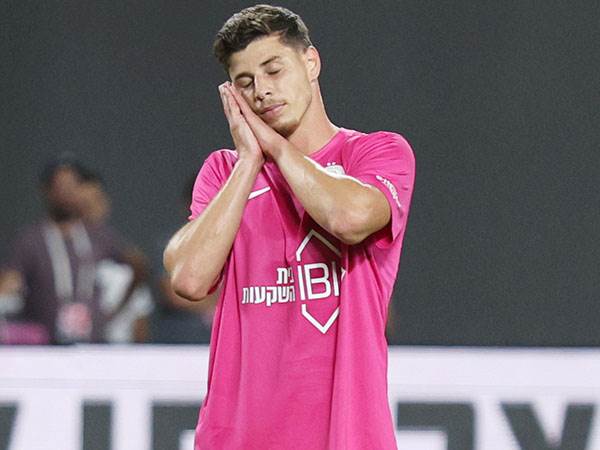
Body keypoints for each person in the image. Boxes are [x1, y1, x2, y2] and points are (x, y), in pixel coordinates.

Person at [163, 5, 415, 449]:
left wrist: (277, 150)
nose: (261, 90)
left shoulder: (376, 153)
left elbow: (348, 219)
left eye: (274, 69)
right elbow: (188, 278)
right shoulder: (224, 172)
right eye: (245, 82)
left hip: (346, 438)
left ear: (311, 62)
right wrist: (249, 162)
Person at [0, 156, 147, 344]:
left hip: (93, 343)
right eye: (60, 187)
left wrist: (112, 312)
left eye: (72, 186)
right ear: (46, 190)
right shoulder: (30, 239)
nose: (67, 194)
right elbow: (11, 281)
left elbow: (138, 265)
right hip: (45, 345)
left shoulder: (98, 235)